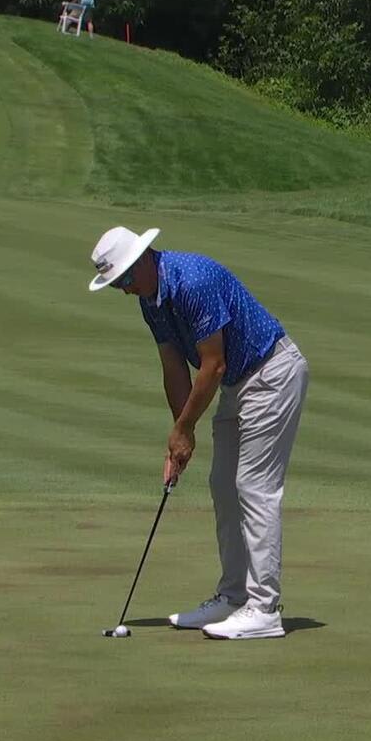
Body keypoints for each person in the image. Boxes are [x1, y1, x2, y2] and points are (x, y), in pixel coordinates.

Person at [86, 226, 310, 640]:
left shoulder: (192, 280)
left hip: (271, 374)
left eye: (125, 277)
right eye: (117, 283)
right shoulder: (151, 301)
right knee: (223, 485)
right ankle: (234, 596)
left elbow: (213, 364)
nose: (124, 288)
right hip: (238, 384)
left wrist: (186, 429)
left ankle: (264, 609)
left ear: (144, 258)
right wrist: (179, 437)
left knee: (254, 487)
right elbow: (173, 366)